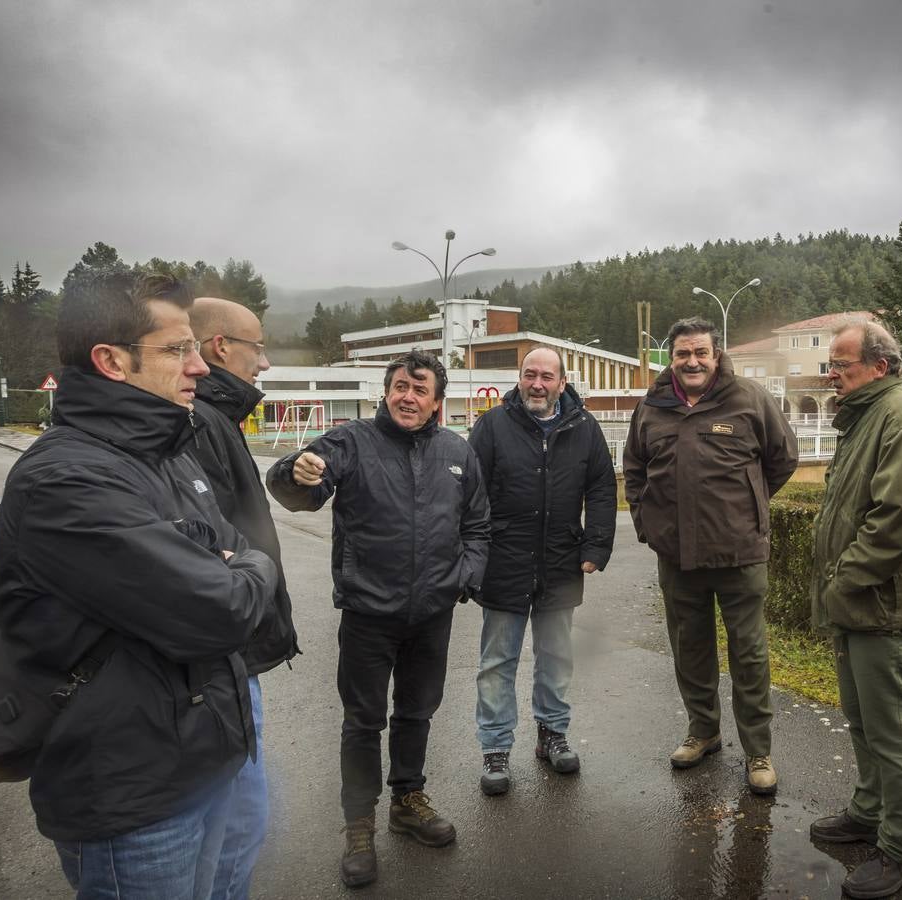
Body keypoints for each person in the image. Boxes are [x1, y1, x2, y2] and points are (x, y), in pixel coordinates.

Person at [0, 271, 275, 898]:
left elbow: (235, 551)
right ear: (111, 361)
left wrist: (233, 561)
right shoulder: (66, 481)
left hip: (202, 761)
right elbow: (222, 607)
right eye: (177, 350)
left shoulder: (168, 451)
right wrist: (244, 567)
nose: (200, 367)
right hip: (133, 796)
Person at [267, 349, 489, 890]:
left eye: (419, 389)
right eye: (398, 387)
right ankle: (360, 824)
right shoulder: (351, 442)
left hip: (432, 614)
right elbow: (298, 493)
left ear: (437, 401)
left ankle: (407, 801)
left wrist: (464, 577)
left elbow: (479, 525)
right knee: (363, 720)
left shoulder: (458, 452)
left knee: (418, 711)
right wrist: (295, 471)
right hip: (369, 613)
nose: (406, 397)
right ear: (385, 392)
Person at [623, 316, 797, 795]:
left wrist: (749, 507)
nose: (692, 361)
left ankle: (758, 751)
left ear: (716, 355)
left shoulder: (749, 399)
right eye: (683, 353)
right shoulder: (653, 407)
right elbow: (634, 468)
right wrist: (647, 521)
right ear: (672, 358)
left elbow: (782, 459)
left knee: (749, 654)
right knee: (690, 649)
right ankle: (703, 732)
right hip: (676, 556)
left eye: (701, 352)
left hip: (739, 554)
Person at [807, 318, 902, 900]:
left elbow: (901, 516)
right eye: (830, 365)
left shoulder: (899, 415)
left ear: (879, 367)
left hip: (880, 605)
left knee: (891, 732)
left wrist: (844, 580)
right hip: (858, 604)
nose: (830, 373)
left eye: (841, 364)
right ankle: (868, 811)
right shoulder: (867, 416)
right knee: (863, 721)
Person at [188, 296, 300, 898]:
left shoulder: (214, 419)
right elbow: (211, 541)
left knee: (239, 823)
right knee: (236, 828)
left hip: (229, 646)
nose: (264, 360)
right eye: (257, 347)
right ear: (220, 347)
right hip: (224, 653)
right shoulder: (200, 422)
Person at [467, 347, 616, 794]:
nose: (537, 383)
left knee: (556, 657)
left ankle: (552, 733)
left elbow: (603, 489)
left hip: (562, 561)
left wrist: (596, 546)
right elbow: (470, 493)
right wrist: (473, 552)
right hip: (503, 562)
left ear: (562, 383)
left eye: (546, 377)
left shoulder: (585, 428)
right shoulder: (492, 426)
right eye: (530, 375)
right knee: (497, 662)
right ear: (519, 378)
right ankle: (495, 749)